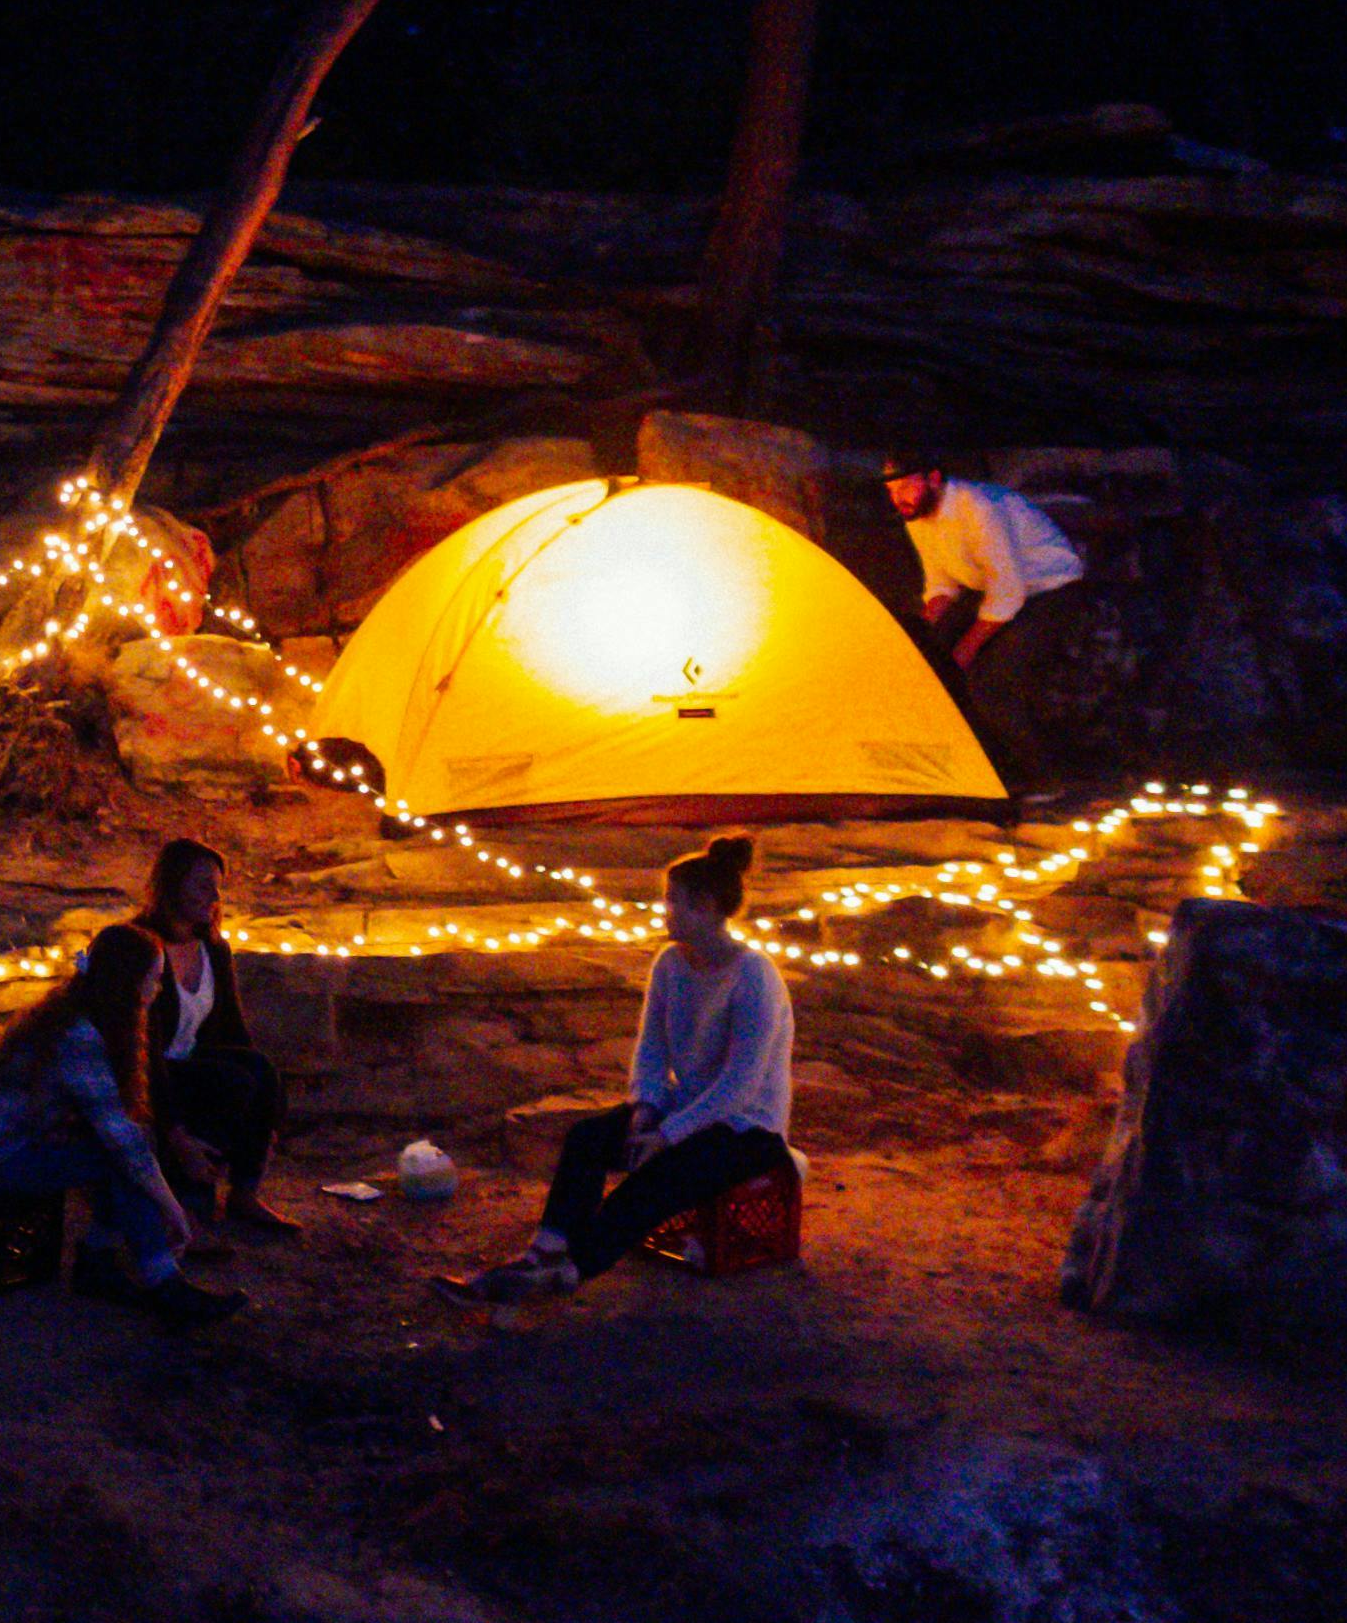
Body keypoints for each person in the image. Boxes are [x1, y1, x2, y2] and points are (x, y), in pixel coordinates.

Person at [436, 834, 798, 1304]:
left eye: (674, 903)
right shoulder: (670, 964)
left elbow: (740, 1084)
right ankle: (545, 1251)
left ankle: (571, 1271)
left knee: (657, 1175)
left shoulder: (752, 975)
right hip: (686, 1110)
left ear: (707, 907)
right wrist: (646, 1109)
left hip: (747, 1130)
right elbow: (651, 1050)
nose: (665, 912)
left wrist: (669, 1136)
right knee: (589, 1137)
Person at [0, 920, 249, 1329]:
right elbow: (123, 1142)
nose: (157, 991)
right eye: (154, 980)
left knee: (126, 1146)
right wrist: (172, 1209)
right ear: (129, 982)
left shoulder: (75, 1016)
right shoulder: (78, 1034)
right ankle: (160, 1282)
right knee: (121, 1155)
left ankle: (100, 1261)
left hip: (2, 1149)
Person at [883, 447, 1090, 786]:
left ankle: (1043, 778)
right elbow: (942, 581)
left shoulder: (979, 506)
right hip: (994, 589)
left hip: (1050, 590)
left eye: (905, 486)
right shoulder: (918, 514)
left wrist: (965, 650)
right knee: (928, 663)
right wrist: (918, 637)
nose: (898, 498)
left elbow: (1008, 590)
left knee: (990, 683)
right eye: (891, 491)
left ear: (934, 479)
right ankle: (970, 768)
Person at [135, 838, 298, 1239]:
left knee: (257, 1071)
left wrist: (268, 1101)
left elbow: (232, 1027)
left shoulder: (212, 948)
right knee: (228, 1082)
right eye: (203, 885)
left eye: (217, 886)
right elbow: (144, 1048)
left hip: (191, 1060)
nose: (215, 896)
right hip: (148, 1068)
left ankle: (244, 1191)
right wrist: (171, 1127)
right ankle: (191, 1204)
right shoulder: (144, 948)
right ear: (172, 886)